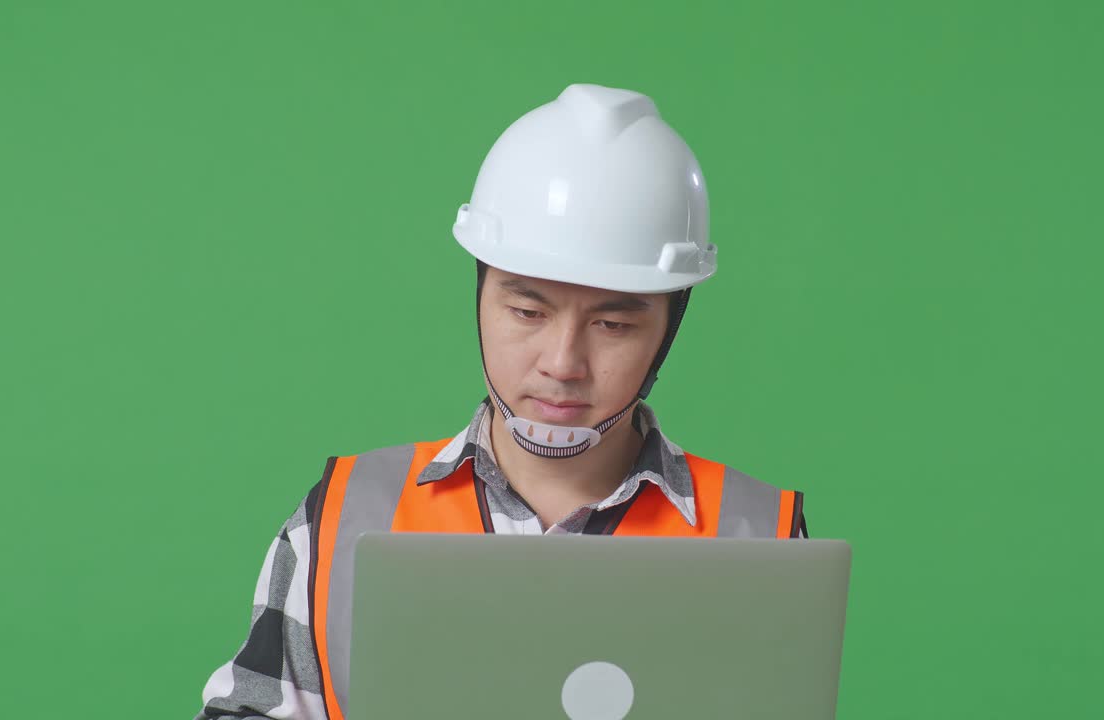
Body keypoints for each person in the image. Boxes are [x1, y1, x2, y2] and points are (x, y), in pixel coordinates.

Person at [194, 83, 808, 720]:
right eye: (526, 311)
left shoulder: (761, 537)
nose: (562, 363)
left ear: (668, 329)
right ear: (480, 300)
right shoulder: (342, 517)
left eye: (614, 325)